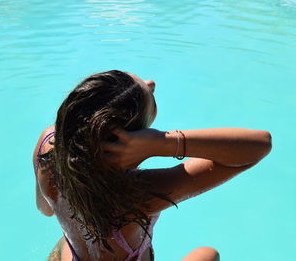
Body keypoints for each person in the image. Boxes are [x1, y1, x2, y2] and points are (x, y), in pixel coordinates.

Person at [32, 70, 272, 261]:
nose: (151, 82)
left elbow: (46, 209)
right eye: (150, 96)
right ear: (135, 140)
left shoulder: (48, 147)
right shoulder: (140, 194)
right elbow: (258, 145)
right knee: (209, 254)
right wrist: (163, 143)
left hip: (74, 254)